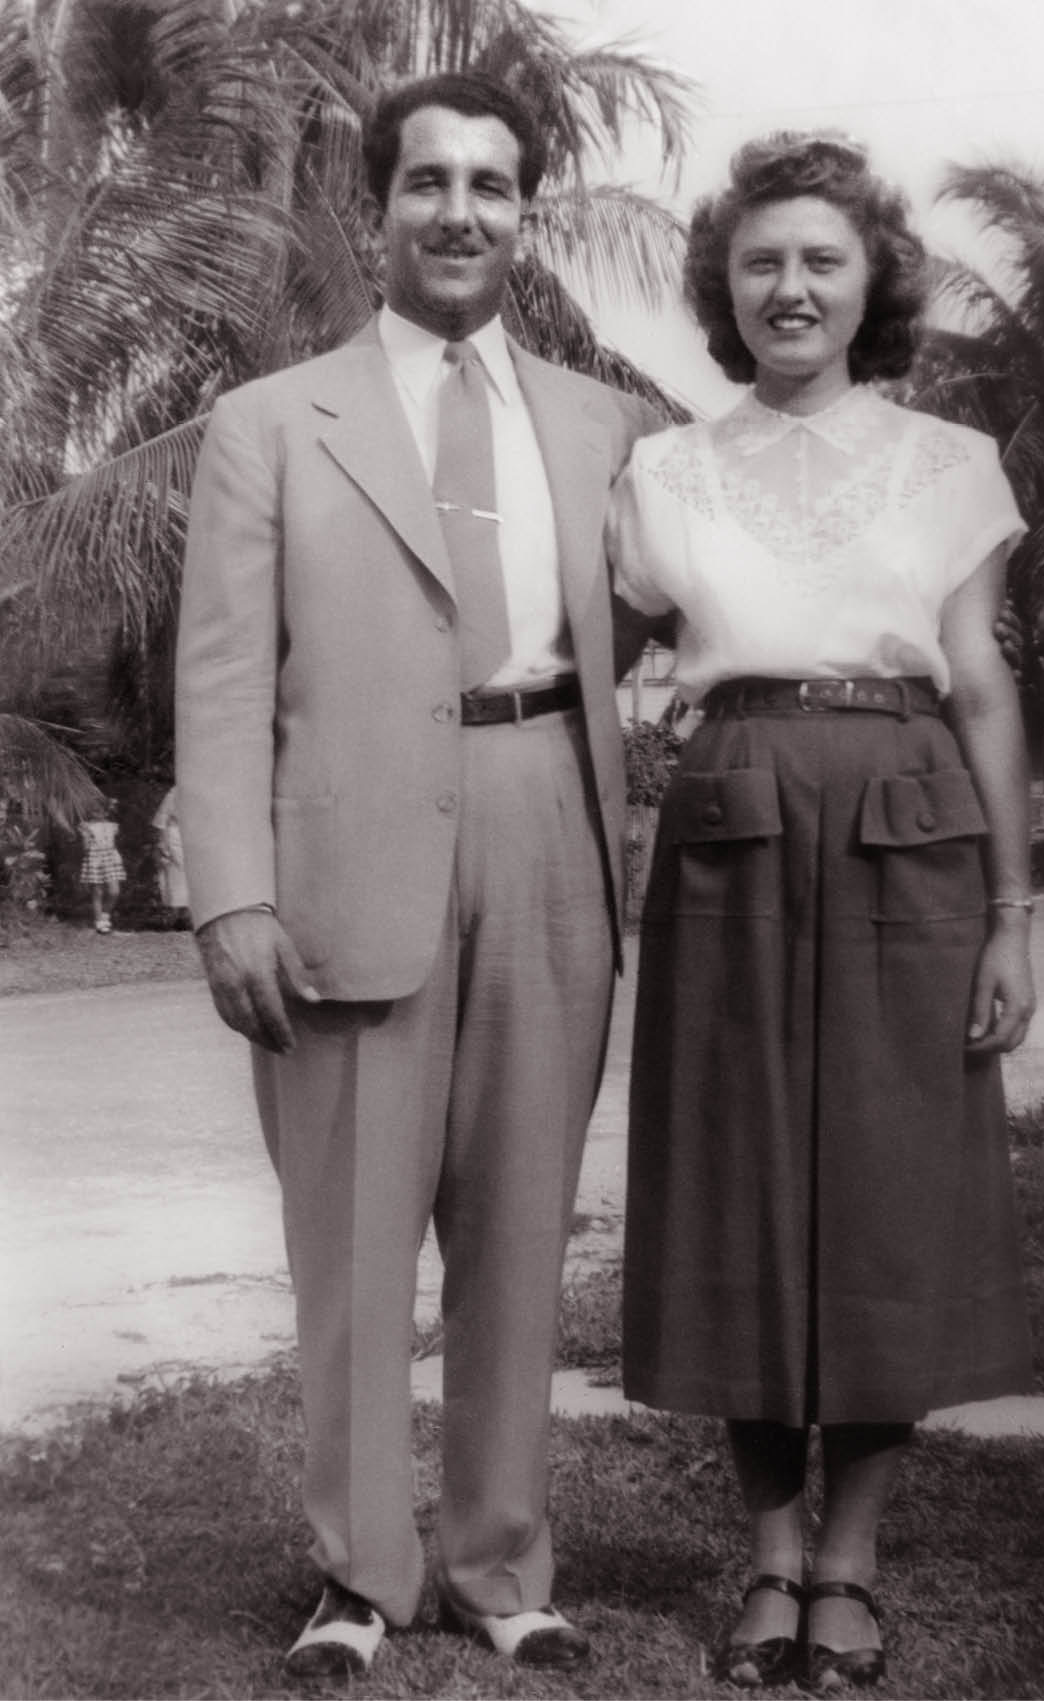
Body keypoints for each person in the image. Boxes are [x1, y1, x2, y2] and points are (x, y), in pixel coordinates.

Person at [176, 72, 660, 1682]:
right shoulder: (270, 423)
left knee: (524, 1226)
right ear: (374, 208)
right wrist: (232, 891)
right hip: (345, 852)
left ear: (526, 216)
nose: (462, 213)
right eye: (428, 184)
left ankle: (502, 1563)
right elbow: (228, 677)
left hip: (548, 832)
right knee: (354, 1239)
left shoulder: (599, 428)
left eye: (494, 187)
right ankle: (361, 1581)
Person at [608, 132, 1036, 1691]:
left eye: (821, 260)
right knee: (738, 1183)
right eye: (761, 262)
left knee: (886, 1192)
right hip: (731, 819)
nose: (790, 288)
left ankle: (849, 1566)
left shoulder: (950, 463)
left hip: (907, 819)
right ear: (726, 290)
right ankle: (768, 1563)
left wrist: (1011, 912)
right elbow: (593, 668)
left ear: (872, 286)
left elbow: (980, 681)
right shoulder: (664, 472)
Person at [78, 797, 125, 934]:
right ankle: (98, 921)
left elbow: (113, 843)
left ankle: (105, 915)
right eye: (93, 811)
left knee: (114, 891)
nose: (96, 813)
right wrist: (86, 837)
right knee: (97, 892)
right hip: (95, 859)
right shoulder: (86, 826)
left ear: (106, 812)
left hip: (110, 859)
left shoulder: (112, 826)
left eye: (99, 811)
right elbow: (85, 848)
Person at [150, 785, 189, 928]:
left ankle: (187, 917)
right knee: (176, 876)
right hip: (175, 837)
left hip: (197, 838)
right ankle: (175, 916)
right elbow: (162, 819)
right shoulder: (175, 792)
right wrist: (162, 843)